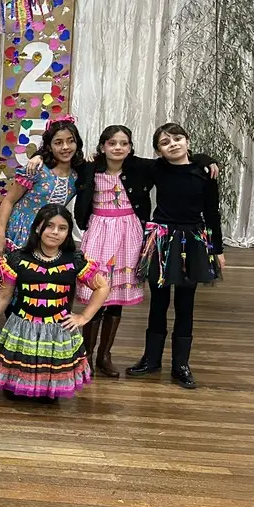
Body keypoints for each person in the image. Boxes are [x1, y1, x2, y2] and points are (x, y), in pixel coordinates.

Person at [72, 125, 218, 378]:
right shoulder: (90, 167)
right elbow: (60, 157)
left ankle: (110, 356)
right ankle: (91, 356)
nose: (118, 148)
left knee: (123, 295)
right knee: (100, 289)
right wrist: (39, 156)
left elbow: (180, 162)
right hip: (108, 234)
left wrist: (206, 159)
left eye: (124, 143)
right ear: (102, 146)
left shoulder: (142, 167)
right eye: (112, 143)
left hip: (134, 234)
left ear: (131, 147)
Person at [127, 123, 224, 389]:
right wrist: (95, 156)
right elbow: (127, 160)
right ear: (158, 150)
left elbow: (212, 213)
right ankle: (151, 358)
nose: (173, 144)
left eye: (177, 138)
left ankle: (181, 364)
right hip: (162, 239)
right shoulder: (156, 169)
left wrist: (217, 249)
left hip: (193, 240)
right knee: (158, 302)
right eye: (165, 142)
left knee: (185, 303)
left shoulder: (204, 172)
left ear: (187, 141)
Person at [0, 205, 109, 402]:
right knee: (14, 394)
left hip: (57, 333)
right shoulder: (18, 258)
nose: (55, 232)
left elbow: (102, 287)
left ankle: (46, 388)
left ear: (68, 232)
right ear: (38, 227)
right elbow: (4, 296)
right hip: (22, 331)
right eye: (49, 226)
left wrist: (84, 317)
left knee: (48, 397)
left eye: (62, 228)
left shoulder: (74, 260)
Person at [0, 117, 83, 263]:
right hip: (19, 232)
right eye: (58, 142)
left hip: (48, 235)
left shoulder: (77, 175)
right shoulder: (37, 169)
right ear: (49, 146)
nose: (65, 147)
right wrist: (0, 235)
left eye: (70, 141)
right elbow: (8, 201)